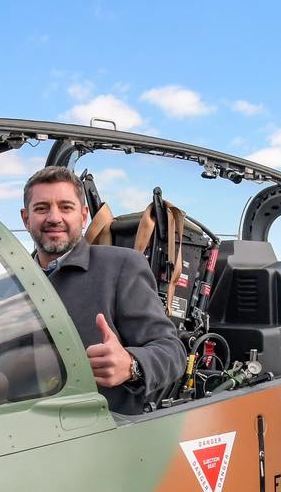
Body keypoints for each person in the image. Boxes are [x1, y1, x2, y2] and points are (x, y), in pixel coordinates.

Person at [18, 166, 186, 415]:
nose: (54, 217)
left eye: (66, 207)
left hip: (102, 435)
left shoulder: (121, 267)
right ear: (25, 218)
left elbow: (172, 352)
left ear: (84, 216)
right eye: (42, 208)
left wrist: (132, 365)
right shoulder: (7, 285)